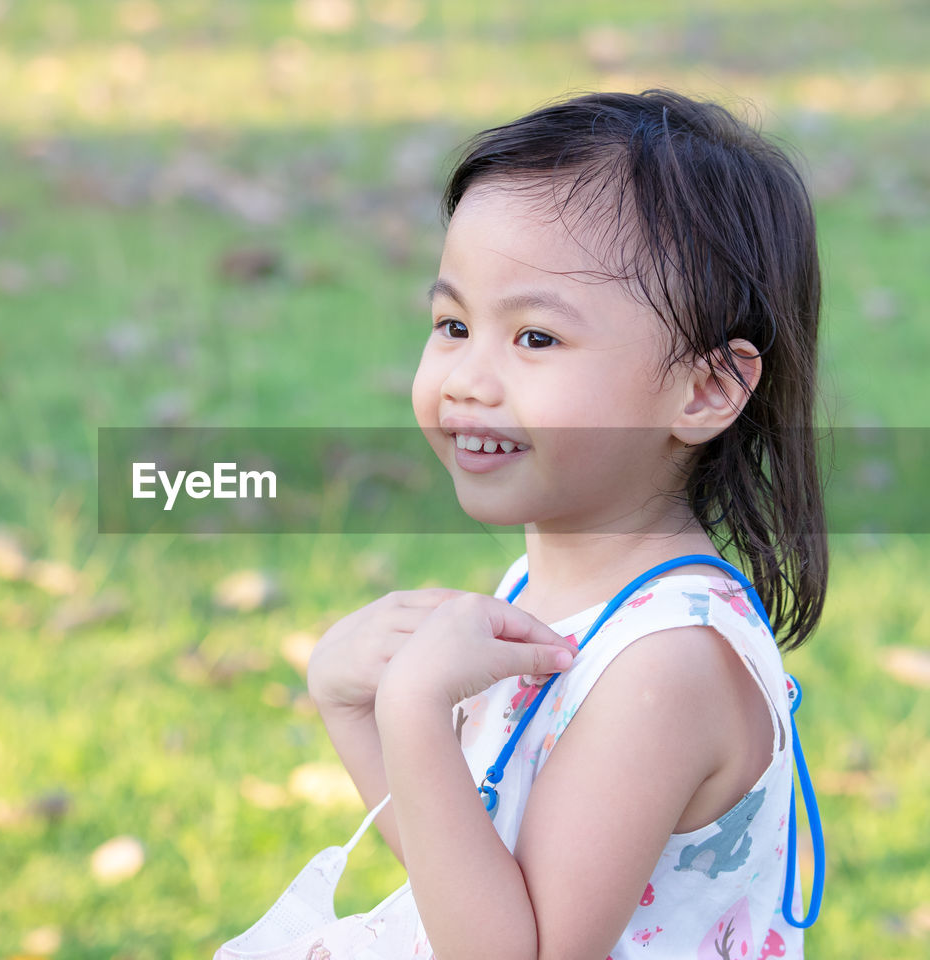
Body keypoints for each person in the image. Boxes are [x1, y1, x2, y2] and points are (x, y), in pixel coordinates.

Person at [215, 88, 828, 960]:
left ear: (706, 389)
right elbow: (472, 885)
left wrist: (417, 714)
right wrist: (351, 704)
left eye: (535, 339)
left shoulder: (665, 668)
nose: (468, 377)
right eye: (454, 324)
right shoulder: (548, 592)